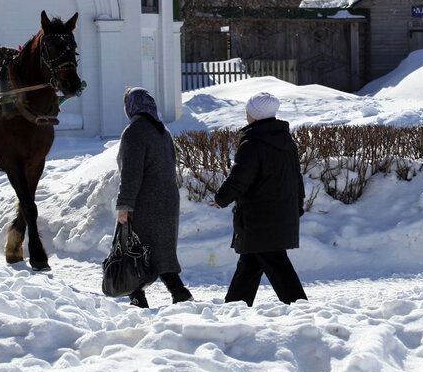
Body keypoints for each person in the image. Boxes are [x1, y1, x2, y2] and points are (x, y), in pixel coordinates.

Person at [213, 91, 307, 306]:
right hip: (279, 214)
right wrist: (297, 206)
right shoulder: (286, 141)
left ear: (254, 114)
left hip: (259, 218)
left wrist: (221, 198)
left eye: (248, 110)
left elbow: (240, 178)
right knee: (250, 262)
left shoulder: (253, 143)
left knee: (274, 261)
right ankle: (235, 305)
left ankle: (299, 305)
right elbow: (296, 178)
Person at [115, 87, 193, 308]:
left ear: (131, 107)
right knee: (161, 250)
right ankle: (179, 293)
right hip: (167, 199)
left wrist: (125, 205)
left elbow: (130, 173)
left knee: (135, 250)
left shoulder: (134, 131)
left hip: (145, 201)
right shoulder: (163, 131)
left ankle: (137, 298)